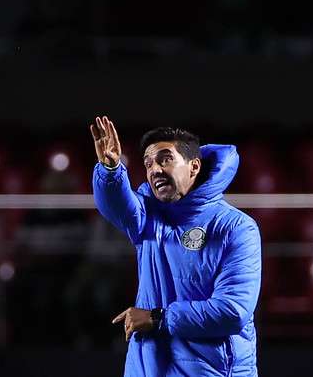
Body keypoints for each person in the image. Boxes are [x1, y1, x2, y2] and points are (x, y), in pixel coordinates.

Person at [90, 116, 261, 377]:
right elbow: (117, 206)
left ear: (193, 167)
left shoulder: (235, 227)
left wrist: (158, 318)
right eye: (148, 164)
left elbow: (232, 311)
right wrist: (111, 170)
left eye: (165, 159)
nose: (154, 169)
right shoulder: (148, 217)